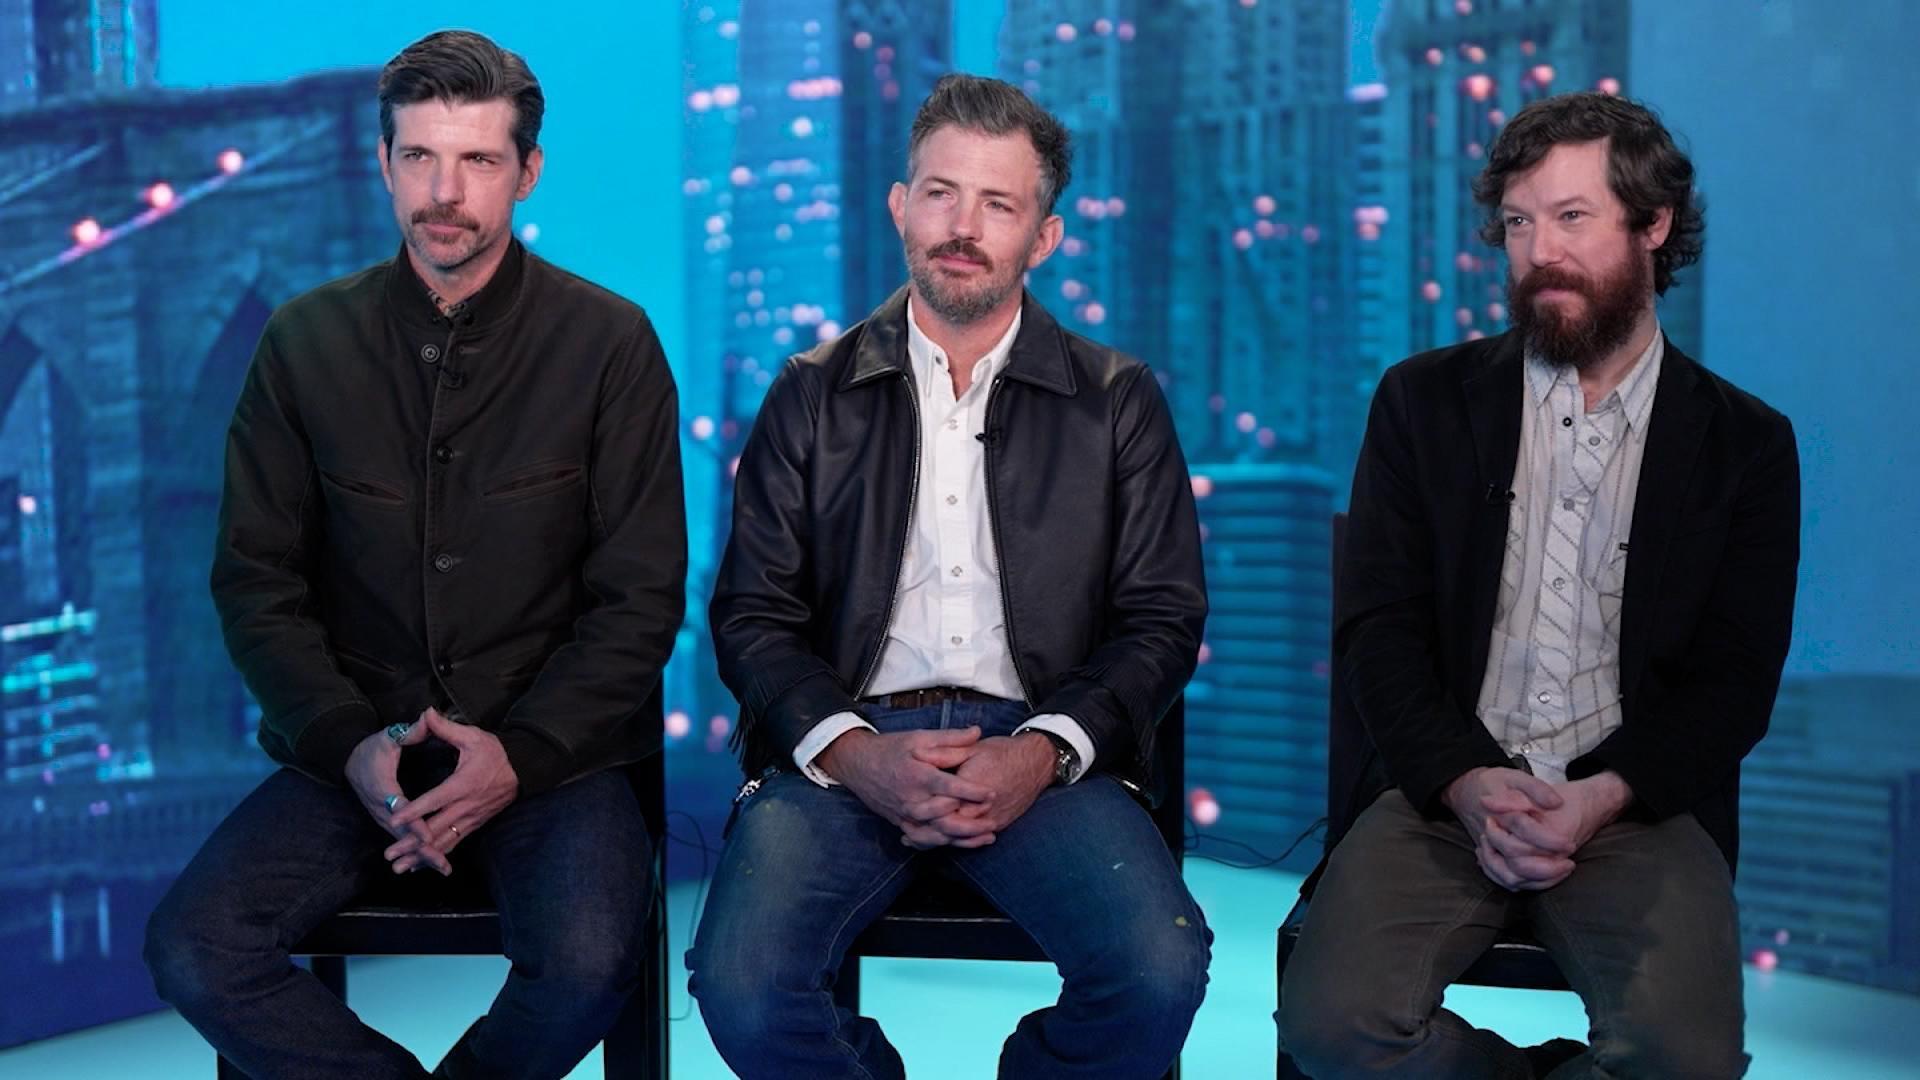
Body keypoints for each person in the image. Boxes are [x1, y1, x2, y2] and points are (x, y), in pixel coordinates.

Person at [143, 29, 685, 1079]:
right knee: (194, 948)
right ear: (383, 163)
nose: (446, 192)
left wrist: (519, 755)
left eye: (478, 159)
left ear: (527, 171)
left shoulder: (610, 345)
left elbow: (640, 598)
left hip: (551, 758)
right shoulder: (302, 343)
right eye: (420, 157)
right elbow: (256, 581)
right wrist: (348, 740)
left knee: (589, 961)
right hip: (355, 752)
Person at [689, 73, 1212, 1080]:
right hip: (849, 746)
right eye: (940, 193)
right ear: (901, 205)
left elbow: (1160, 620)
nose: (962, 227)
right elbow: (752, 615)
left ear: (1044, 237)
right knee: (741, 985)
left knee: (1157, 971)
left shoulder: (1116, 400)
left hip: (1040, 745)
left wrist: (1043, 751)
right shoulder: (810, 394)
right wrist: (853, 753)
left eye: (997, 204)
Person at [1277, 91, 1799, 1079]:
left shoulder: (1746, 444)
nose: (1538, 252)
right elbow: (1379, 632)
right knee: (1334, 1029)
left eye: (1570, 218)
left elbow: (1735, 682)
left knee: (1685, 1063)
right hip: (1445, 794)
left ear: (1653, 225)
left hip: (1635, 805)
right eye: (1519, 223)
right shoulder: (1421, 402)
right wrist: (1468, 783)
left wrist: (1600, 796)